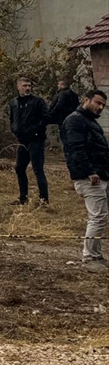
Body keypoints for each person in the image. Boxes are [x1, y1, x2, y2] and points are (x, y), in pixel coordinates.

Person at [61, 89, 108, 268]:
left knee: (101, 217)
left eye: (103, 105)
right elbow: (76, 149)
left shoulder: (89, 122)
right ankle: (89, 257)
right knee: (97, 217)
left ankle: (96, 255)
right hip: (89, 177)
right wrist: (90, 171)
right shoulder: (75, 120)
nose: (100, 107)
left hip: (100, 174)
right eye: (97, 103)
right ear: (86, 100)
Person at [9, 77, 50, 207]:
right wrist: (14, 130)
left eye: (29, 86)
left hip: (35, 140)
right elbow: (12, 119)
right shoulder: (14, 102)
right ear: (18, 87)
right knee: (20, 168)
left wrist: (35, 130)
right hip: (22, 140)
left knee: (38, 169)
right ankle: (23, 199)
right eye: (24, 85)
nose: (27, 88)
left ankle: (44, 200)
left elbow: (45, 118)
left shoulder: (37, 101)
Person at [48, 78, 80, 148]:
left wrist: (51, 114)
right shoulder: (73, 94)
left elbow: (59, 105)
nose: (58, 86)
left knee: (64, 137)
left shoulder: (62, 93)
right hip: (71, 118)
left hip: (62, 118)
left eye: (59, 84)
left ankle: (68, 153)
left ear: (63, 85)